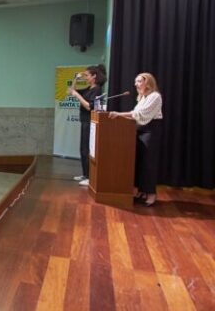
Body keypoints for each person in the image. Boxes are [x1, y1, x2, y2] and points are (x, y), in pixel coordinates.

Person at [109, 72, 163, 207]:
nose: (135, 84)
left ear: (148, 82)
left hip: (150, 131)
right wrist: (120, 117)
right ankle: (141, 191)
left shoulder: (155, 96)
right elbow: (135, 116)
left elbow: (140, 115)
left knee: (148, 163)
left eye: (139, 81)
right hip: (139, 130)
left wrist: (119, 114)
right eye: (136, 81)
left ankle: (151, 194)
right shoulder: (142, 97)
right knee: (139, 162)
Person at [69, 64, 106, 186]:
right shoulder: (89, 88)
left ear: (94, 76)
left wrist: (78, 96)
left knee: (87, 149)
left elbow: (89, 106)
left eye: (87, 75)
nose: (85, 77)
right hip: (84, 121)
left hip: (89, 121)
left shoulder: (97, 89)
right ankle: (85, 174)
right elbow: (71, 91)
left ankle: (90, 177)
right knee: (83, 149)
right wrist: (76, 79)